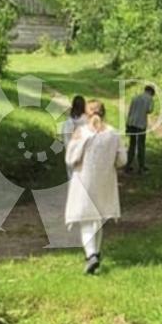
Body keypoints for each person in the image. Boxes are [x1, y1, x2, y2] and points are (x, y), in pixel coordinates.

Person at [65, 99, 126, 274]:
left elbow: (70, 159)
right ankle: (96, 253)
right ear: (104, 113)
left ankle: (91, 254)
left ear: (86, 114)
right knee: (98, 218)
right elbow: (122, 160)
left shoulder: (81, 132)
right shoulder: (113, 133)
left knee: (86, 218)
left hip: (84, 179)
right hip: (105, 181)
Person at [124, 84, 156, 174]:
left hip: (131, 123)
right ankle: (141, 167)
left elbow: (130, 111)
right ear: (151, 92)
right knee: (141, 145)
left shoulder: (135, 97)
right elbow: (149, 110)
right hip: (141, 124)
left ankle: (128, 165)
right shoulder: (149, 99)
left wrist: (127, 125)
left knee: (132, 144)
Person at [60, 94, 87, 176]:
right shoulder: (87, 121)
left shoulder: (67, 123)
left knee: (72, 177)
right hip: (84, 155)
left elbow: (64, 139)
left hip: (70, 153)